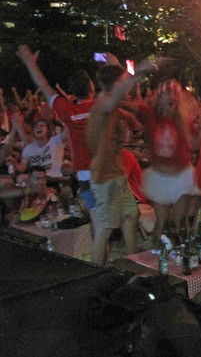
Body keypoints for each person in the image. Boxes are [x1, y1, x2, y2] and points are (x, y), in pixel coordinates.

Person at [17, 44, 97, 225]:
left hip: (85, 177)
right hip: (104, 174)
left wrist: (30, 64)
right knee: (121, 219)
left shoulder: (67, 110)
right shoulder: (101, 107)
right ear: (91, 87)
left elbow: (44, 86)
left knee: (97, 223)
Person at [86, 59, 156, 265]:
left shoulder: (112, 105)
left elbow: (131, 109)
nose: (130, 85)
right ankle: (93, 274)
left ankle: (132, 263)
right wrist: (138, 71)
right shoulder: (103, 104)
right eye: (125, 81)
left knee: (131, 216)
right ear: (116, 85)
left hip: (116, 174)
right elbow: (113, 99)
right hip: (105, 176)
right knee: (105, 228)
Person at [129, 79, 199, 248]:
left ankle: (185, 259)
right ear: (159, 97)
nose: (172, 98)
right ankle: (156, 259)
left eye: (175, 95)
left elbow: (195, 146)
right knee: (161, 223)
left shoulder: (184, 119)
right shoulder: (149, 114)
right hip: (160, 178)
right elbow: (125, 106)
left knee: (181, 222)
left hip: (182, 177)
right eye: (168, 94)